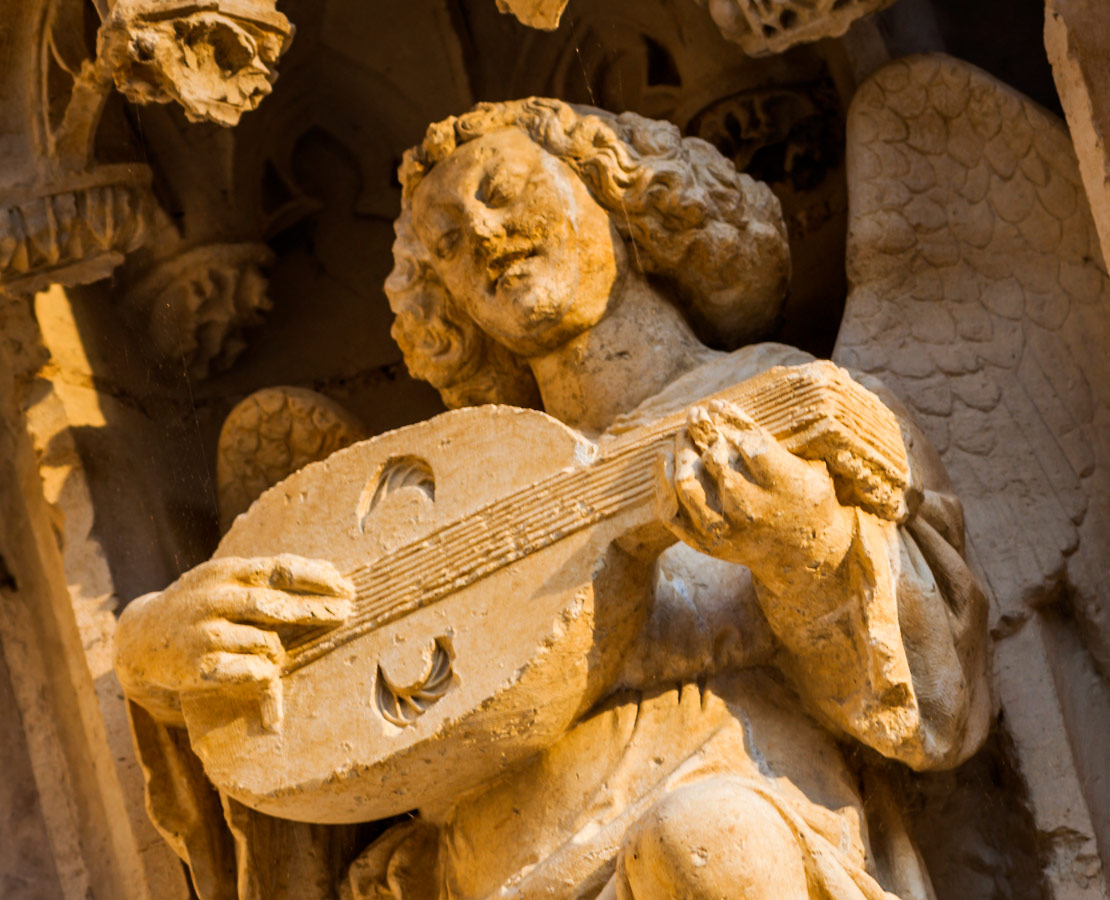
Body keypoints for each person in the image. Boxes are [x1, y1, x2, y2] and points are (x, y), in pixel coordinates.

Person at [114, 98, 990, 900]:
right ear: (445, 305)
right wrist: (157, 657)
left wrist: (805, 543)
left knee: (705, 839)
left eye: (503, 192)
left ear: (623, 196)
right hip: (486, 871)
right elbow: (317, 741)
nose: (484, 236)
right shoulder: (452, 496)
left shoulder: (791, 397)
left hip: (730, 836)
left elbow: (937, 713)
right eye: (448, 245)